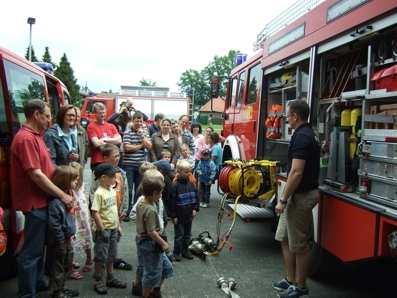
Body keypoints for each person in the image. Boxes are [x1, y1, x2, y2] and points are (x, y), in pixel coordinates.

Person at [10, 99, 73, 298]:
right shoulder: (26, 139)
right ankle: (27, 293)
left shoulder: (36, 136)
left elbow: (47, 169)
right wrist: (62, 194)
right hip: (34, 203)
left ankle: (37, 284)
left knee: (38, 250)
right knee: (31, 252)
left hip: (41, 201)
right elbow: (36, 174)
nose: (49, 120)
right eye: (46, 116)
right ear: (36, 115)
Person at [273, 99, 320, 298]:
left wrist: (283, 199)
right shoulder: (303, 133)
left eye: (288, 115)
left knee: (300, 245)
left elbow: (297, 172)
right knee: (284, 237)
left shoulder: (303, 136)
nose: (286, 119)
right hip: (294, 194)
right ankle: (290, 280)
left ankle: (300, 287)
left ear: (295, 116)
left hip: (300, 196)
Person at [89, 144, 132, 269]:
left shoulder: (121, 173)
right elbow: (93, 194)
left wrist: (124, 208)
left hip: (115, 212)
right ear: (105, 158)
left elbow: (125, 191)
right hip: (102, 214)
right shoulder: (99, 173)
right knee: (102, 241)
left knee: (115, 237)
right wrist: (94, 216)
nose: (117, 158)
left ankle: (112, 260)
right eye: (115, 156)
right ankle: (100, 267)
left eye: (119, 155)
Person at [135, 173, 174, 298]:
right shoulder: (150, 209)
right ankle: (146, 294)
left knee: (166, 267)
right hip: (150, 244)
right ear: (154, 194)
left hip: (145, 241)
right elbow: (151, 231)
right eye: (160, 193)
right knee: (151, 273)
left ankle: (154, 291)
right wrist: (164, 244)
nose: (161, 195)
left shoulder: (142, 202)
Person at [91, 163, 127, 295]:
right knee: (101, 256)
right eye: (113, 177)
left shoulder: (111, 190)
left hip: (113, 229)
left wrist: (118, 226)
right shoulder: (99, 193)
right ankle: (99, 281)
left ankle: (110, 278)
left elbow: (113, 210)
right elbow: (95, 212)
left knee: (111, 255)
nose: (116, 180)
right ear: (103, 178)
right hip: (104, 231)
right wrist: (102, 229)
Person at [47, 165, 80, 298]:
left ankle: (62, 288)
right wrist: (61, 241)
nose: (77, 182)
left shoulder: (68, 196)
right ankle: (57, 292)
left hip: (67, 238)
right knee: (58, 266)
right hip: (59, 241)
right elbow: (55, 225)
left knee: (65, 263)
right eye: (74, 179)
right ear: (64, 181)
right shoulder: (56, 202)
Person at [122, 111, 152, 219]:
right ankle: (127, 211)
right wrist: (140, 145)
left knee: (139, 190)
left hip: (141, 166)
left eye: (141, 121)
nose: (139, 123)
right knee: (129, 190)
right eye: (137, 120)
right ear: (132, 121)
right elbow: (127, 148)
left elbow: (149, 146)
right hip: (129, 165)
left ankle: (136, 211)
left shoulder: (144, 132)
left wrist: (141, 135)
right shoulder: (127, 132)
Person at [169, 160, 199, 261]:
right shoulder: (175, 185)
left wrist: (195, 208)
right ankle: (176, 252)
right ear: (179, 171)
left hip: (189, 214)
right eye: (186, 172)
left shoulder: (191, 183)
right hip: (179, 215)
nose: (188, 174)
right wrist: (173, 216)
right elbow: (171, 202)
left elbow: (196, 196)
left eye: (189, 171)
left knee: (187, 234)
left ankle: (185, 250)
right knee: (179, 235)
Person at [69, 162, 93, 277]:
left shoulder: (81, 185)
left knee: (87, 238)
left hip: (83, 217)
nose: (75, 180)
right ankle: (70, 265)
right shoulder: (67, 189)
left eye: (77, 177)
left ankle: (89, 259)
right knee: (72, 240)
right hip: (74, 218)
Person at [87, 102, 121, 169]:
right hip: (98, 162)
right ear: (95, 114)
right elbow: (96, 143)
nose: (102, 115)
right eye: (100, 113)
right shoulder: (91, 126)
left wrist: (104, 139)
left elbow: (119, 140)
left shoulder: (111, 126)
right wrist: (112, 141)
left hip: (111, 161)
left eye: (104, 112)